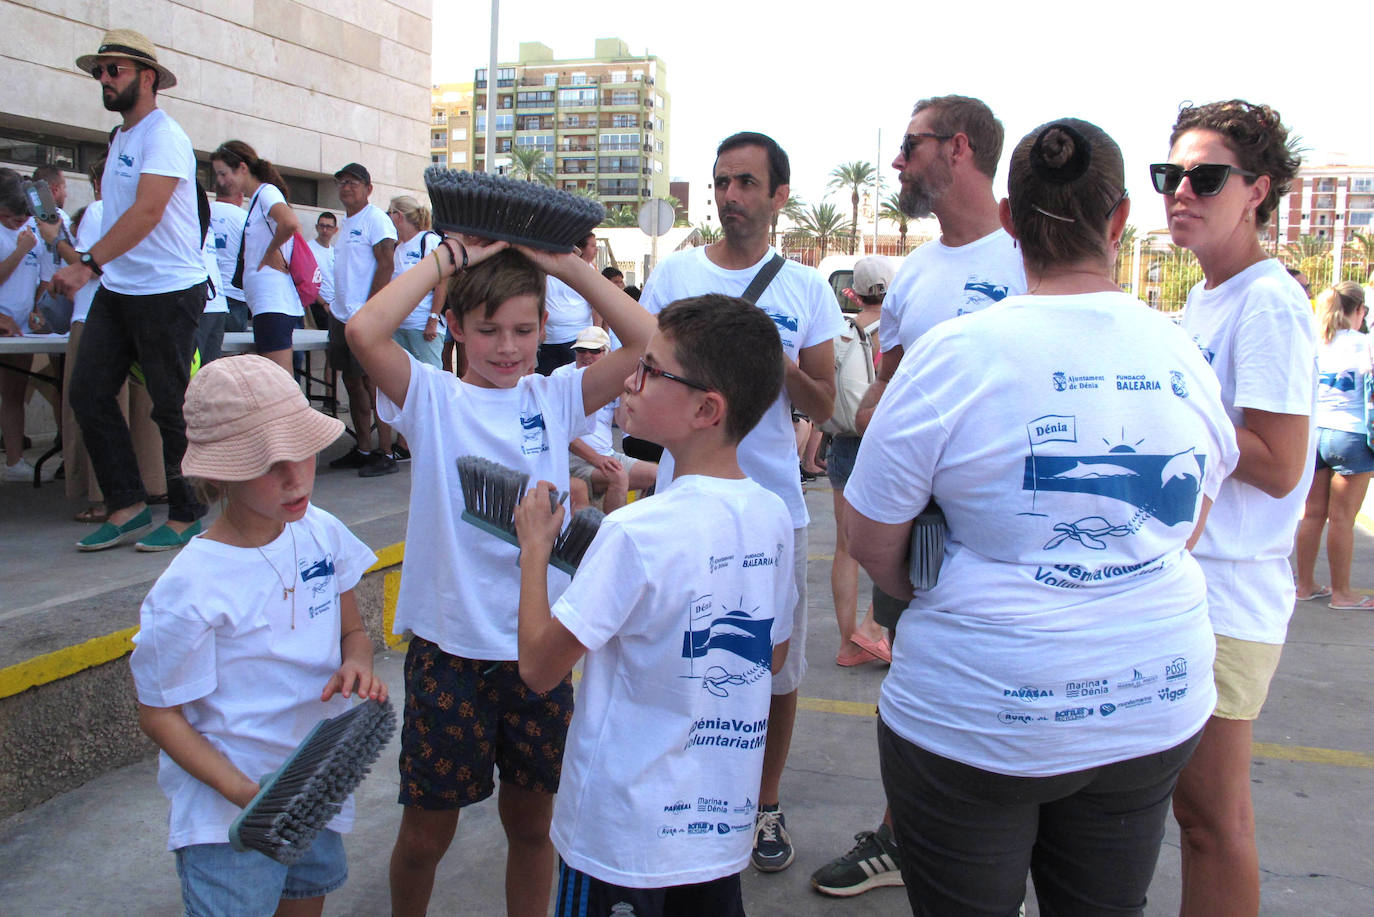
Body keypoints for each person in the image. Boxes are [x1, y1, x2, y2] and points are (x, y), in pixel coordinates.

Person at [846, 118, 1239, 916]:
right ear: (1120, 218)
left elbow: (869, 541)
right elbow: (1187, 519)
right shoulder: (1179, 352)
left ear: (1012, 221)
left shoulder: (954, 354)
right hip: (1147, 707)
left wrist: (931, 585)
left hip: (977, 715)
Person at [345, 236, 655, 917]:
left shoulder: (554, 397)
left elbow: (645, 339)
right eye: (487, 329)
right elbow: (363, 330)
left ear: (546, 327)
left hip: (538, 653)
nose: (507, 346)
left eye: (523, 328)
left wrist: (563, 265)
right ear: (454, 327)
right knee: (426, 835)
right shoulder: (430, 396)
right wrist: (444, 263)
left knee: (532, 825)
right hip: (448, 651)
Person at [513, 294, 795, 916]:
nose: (631, 383)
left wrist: (535, 550)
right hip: (717, 831)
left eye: (651, 371)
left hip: (623, 838)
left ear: (706, 408)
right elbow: (769, 658)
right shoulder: (772, 516)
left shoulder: (637, 535)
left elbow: (538, 668)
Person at [813, 95, 1029, 898]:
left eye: (911, 145)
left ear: (959, 149)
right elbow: (891, 396)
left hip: (1011, 529)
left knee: (1006, 687)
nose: (899, 161)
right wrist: (869, 411)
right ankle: (904, 836)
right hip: (925, 530)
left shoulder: (1030, 256)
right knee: (917, 685)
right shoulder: (914, 278)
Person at [640, 130, 845, 873]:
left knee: (775, 670)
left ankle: (762, 802)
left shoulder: (807, 289)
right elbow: (641, 373)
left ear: (778, 195)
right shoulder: (674, 277)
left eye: (747, 184)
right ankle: (684, 798)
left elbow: (828, 402)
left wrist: (776, 359)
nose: (731, 197)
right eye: (722, 182)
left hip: (774, 515)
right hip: (682, 509)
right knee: (677, 658)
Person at [129, 353, 384, 917]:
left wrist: (358, 662)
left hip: (314, 785)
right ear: (217, 473)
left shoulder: (321, 531)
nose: (295, 478)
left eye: (304, 453)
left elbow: (354, 630)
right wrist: (246, 794)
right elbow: (159, 713)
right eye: (268, 464)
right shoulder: (189, 588)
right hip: (229, 819)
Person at [1154, 100, 1315, 917]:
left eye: (1204, 177)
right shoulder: (1209, 298)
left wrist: (1183, 421)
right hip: (1198, 582)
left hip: (1234, 591)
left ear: (1257, 190)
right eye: (1170, 176)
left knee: (1214, 818)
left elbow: (1283, 464)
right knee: (1196, 812)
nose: (1181, 192)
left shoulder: (1268, 303)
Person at [51, 29, 209, 553]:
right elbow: (124, 217)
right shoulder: (120, 139)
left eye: (113, 70)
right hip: (120, 288)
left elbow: (148, 211)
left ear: (147, 77)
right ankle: (127, 505)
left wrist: (88, 265)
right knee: (88, 392)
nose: (103, 79)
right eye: (99, 71)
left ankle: (188, 513)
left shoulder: (164, 134)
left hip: (168, 290)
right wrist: (91, 265)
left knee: (169, 405)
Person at [828, 256, 892, 669]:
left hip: (845, 442)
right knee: (893, 543)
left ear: (855, 291)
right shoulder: (899, 331)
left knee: (845, 548)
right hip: (884, 444)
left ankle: (848, 643)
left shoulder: (842, 332)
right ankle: (873, 629)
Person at [1295, 282, 1374, 609]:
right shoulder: (1364, 345)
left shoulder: (1315, 342)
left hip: (1315, 434)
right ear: (1357, 311)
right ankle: (1342, 593)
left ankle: (1305, 585)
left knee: (1312, 514)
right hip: (1351, 435)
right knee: (1343, 518)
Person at [327, 162, 398, 478]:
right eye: (342, 181)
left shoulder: (376, 220)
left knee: (374, 385)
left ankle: (386, 452)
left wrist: (371, 310)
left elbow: (386, 264)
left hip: (364, 318)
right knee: (351, 382)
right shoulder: (345, 224)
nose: (346, 187)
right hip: (341, 316)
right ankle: (363, 449)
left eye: (354, 182)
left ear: (369, 189)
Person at [210, 141, 302, 372]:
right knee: (274, 376)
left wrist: (270, 252)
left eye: (223, 173)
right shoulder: (258, 199)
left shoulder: (266, 193)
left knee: (278, 378)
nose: (220, 181)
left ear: (242, 168)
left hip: (272, 302)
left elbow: (290, 223)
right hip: (265, 303)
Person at [553, 326, 658, 512]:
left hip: (606, 454)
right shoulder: (561, 377)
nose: (586, 355)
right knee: (618, 477)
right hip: (574, 457)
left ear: (607, 353)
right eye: (581, 350)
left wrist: (624, 389)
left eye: (594, 351)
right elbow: (559, 431)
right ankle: (611, 535)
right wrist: (597, 459)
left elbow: (626, 424)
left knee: (660, 474)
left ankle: (637, 524)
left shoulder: (613, 379)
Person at [0, 169, 42, 482]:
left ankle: (15, 461)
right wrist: (20, 250)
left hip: (21, 328)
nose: (20, 223)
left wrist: (38, 308)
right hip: (3, 323)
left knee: (14, 393)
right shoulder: (19, 239)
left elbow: (39, 276)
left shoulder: (32, 229)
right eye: (13, 218)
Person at [387, 195, 445, 370]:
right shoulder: (397, 247)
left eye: (389, 213)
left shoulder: (429, 241)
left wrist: (433, 319)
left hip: (423, 325)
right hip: (400, 325)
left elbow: (441, 282)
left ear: (398, 216)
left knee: (430, 380)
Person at [537, 231, 601, 375]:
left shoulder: (587, 270)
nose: (596, 250)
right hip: (549, 340)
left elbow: (597, 304)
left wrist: (596, 332)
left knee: (576, 382)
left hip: (577, 337)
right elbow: (538, 297)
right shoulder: (543, 266)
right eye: (593, 246)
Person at [209, 173, 248, 333]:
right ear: (241, 196)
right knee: (232, 356)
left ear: (215, 190)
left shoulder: (201, 211)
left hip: (204, 294)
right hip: (234, 295)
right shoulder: (245, 218)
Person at [306, 211, 337, 331]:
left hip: (334, 306)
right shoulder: (308, 249)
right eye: (322, 226)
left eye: (329, 227)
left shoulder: (335, 252)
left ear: (335, 230)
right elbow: (307, 280)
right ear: (316, 227)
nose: (325, 230)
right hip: (316, 305)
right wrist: (323, 303)